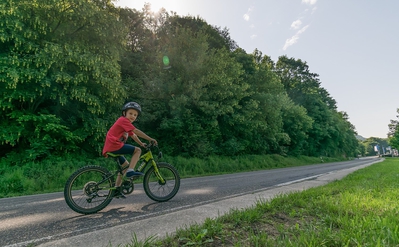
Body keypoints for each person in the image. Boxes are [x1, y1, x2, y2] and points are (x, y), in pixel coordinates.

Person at [102, 101, 158, 199]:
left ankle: (116, 190)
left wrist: (141, 144)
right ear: (124, 113)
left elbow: (133, 135)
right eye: (130, 113)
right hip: (114, 145)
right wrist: (150, 139)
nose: (133, 116)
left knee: (125, 167)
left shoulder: (126, 124)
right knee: (137, 151)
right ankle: (130, 171)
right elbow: (136, 131)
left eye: (135, 115)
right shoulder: (123, 120)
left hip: (112, 146)